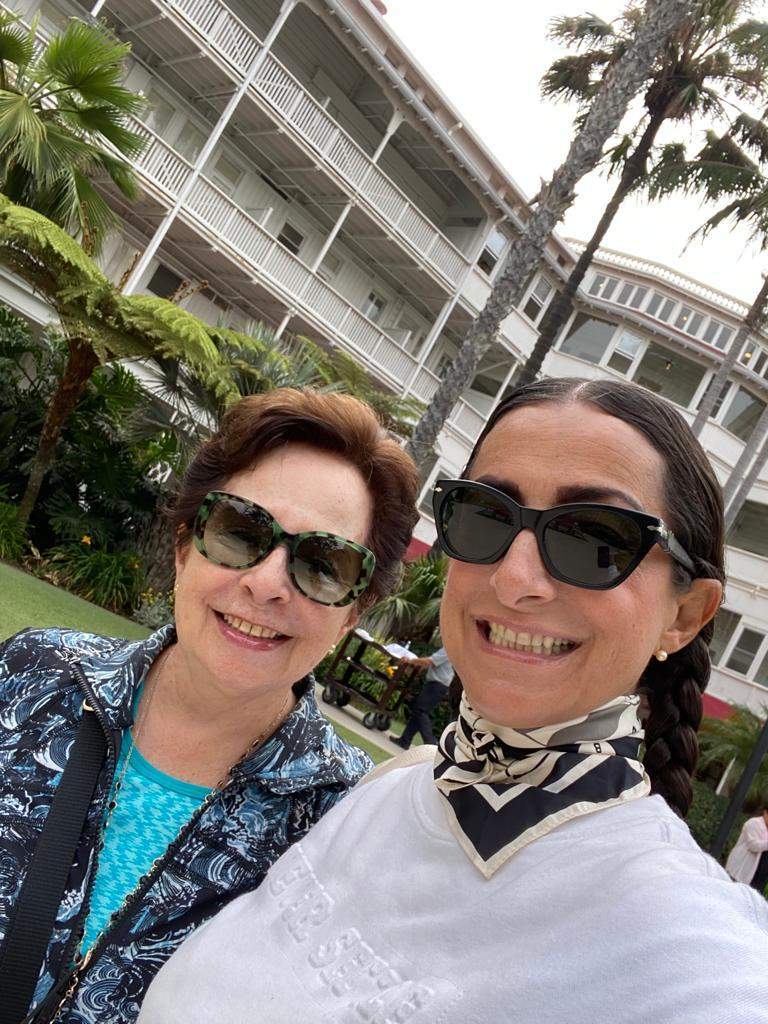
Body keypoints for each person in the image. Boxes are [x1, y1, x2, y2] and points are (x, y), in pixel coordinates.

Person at [138, 377, 768, 1024]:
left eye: (594, 539)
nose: (516, 577)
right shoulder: (383, 795)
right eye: (487, 515)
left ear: (686, 615)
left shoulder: (691, 949)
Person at [0, 389, 419, 1024]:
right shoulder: (36, 677)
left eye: (324, 563)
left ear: (352, 613)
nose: (267, 583)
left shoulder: (342, 823)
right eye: (241, 531)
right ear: (182, 545)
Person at [391, 646, 453, 748]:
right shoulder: (450, 648)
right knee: (418, 711)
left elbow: (430, 662)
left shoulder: (449, 648)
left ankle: (431, 743)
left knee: (420, 710)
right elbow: (432, 663)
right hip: (437, 685)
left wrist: (410, 661)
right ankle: (405, 740)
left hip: (437, 685)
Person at [727, 807, 768, 890]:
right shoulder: (753, 823)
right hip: (742, 869)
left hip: (760, 876)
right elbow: (753, 846)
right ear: (765, 812)